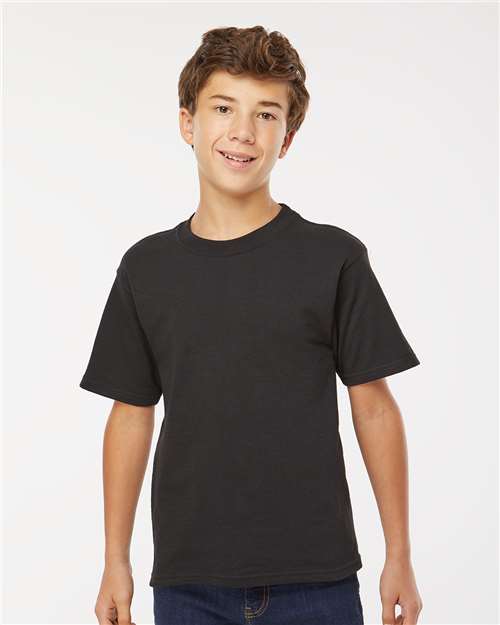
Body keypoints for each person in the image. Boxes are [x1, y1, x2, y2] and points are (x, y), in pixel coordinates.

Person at [80, 25, 423, 625]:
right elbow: (131, 414)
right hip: (189, 583)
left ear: (286, 139)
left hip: (317, 580)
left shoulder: (333, 258)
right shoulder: (146, 269)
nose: (243, 131)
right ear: (187, 122)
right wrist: (115, 559)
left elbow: (373, 406)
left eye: (266, 114)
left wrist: (400, 553)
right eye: (223, 108)